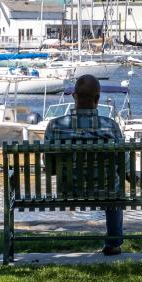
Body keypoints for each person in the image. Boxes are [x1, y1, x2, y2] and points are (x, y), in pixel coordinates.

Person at [43, 74, 126, 256]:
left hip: (68, 191)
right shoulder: (110, 126)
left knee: (113, 188)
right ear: (97, 99)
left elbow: (49, 168)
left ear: (74, 96)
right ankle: (113, 243)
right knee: (115, 191)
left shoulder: (55, 126)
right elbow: (122, 162)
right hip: (107, 192)